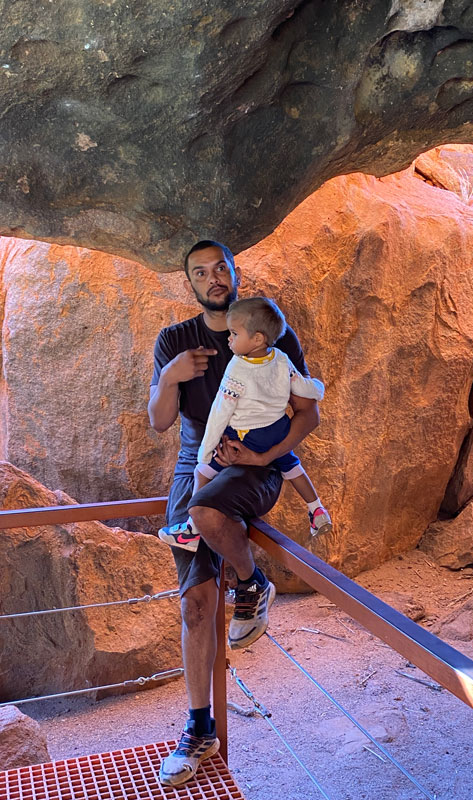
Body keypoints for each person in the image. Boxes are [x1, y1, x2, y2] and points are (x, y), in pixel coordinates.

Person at [148, 240, 323, 787]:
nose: (213, 278)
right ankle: (199, 728)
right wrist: (170, 378)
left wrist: (264, 456)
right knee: (196, 604)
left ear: (234, 271)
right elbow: (159, 420)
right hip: (195, 462)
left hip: (255, 461)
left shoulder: (271, 329)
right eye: (200, 272)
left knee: (208, 514)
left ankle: (251, 583)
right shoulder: (175, 340)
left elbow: (307, 413)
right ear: (190, 284)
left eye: (220, 267)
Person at [158, 296, 332, 554]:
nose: (229, 339)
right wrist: (319, 387)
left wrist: (205, 451)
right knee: (292, 466)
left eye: (234, 333)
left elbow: (220, 411)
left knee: (203, 471)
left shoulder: (237, 368)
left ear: (258, 339)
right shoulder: (281, 358)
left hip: (247, 435)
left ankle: (191, 529)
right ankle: (317, 510)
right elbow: (304, 386)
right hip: (277, 429)